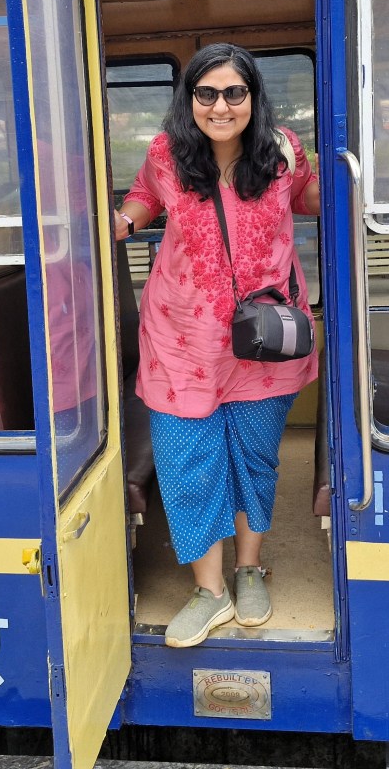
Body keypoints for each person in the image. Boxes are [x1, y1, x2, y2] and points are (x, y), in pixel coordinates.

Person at [114, 43, 320, 648]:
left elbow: (307, 196)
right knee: (185, 465)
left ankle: (249, 568)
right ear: (190, 100)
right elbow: (145, 196)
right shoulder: (166, 152)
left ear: (253, 97)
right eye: (207, 94)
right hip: (181, 337)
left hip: (264, 338)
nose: (221, 105)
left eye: (235, 92)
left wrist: (348, 184)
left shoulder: (283, 151)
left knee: (252, 459)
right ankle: (210, 591)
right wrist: (124, 221)